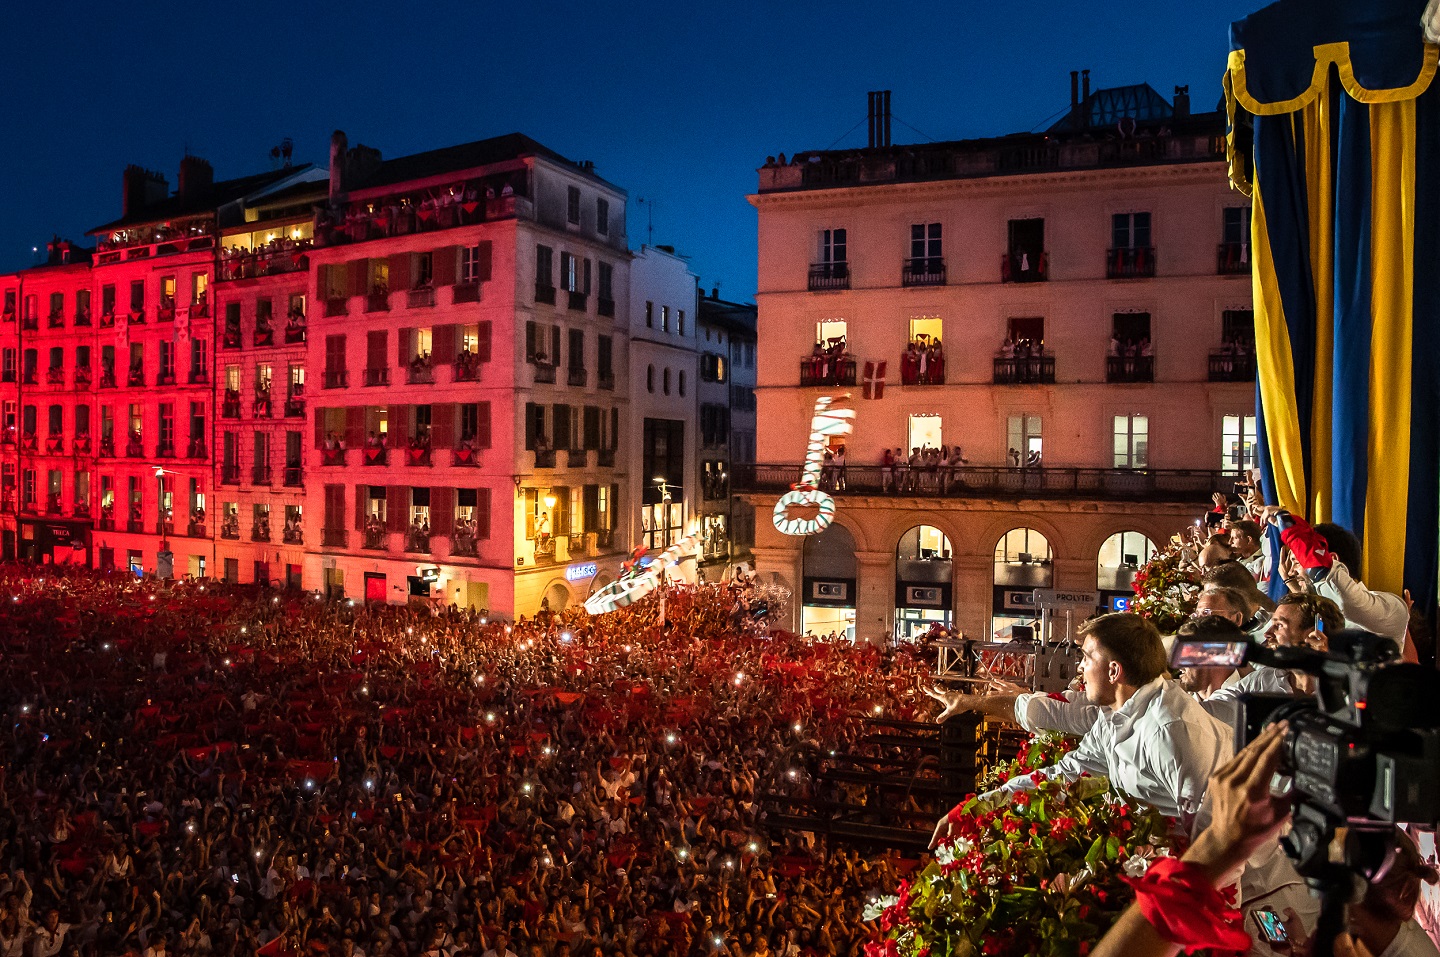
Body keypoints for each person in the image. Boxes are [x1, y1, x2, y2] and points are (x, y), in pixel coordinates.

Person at [931, 613, 1231, 846]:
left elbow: (1217, 836)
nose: (1080, 669)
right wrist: (978, 806)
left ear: (1114, 670)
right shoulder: (1116, 716)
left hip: (1253, 893)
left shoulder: (1170, 730)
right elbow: (1063, 777)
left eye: (1087, 658)